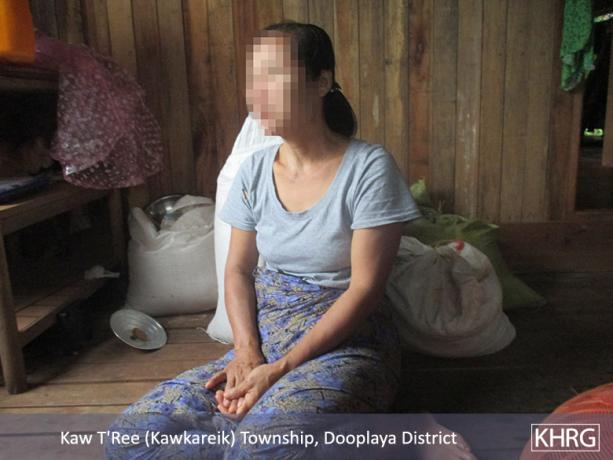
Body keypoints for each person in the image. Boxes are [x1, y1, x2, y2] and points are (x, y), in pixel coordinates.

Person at [105, 21, 474, 460]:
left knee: (260, 448)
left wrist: (281, 369)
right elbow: (238, 269)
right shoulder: (254, 172)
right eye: (251, 78)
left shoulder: (368, 168)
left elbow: (364, 290)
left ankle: (389, 428)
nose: (255, 93)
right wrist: (247, 354)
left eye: (272, 75)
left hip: (344, 347)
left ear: (321, 82)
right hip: (266, 342)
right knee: (129, 438)